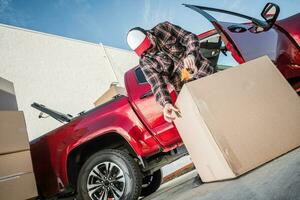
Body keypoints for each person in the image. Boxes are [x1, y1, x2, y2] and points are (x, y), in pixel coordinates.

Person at [127, 21, 215, 122]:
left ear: (149, 35)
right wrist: (166, 103)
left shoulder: (164, 28)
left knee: (219, 92)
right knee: (205, 113)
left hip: (200, 68)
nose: (148, 51)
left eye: (147, 46)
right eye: (143, 51)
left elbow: (189, 37)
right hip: (183, 85)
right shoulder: (145, 61)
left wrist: (191, 54)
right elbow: (157, 84)